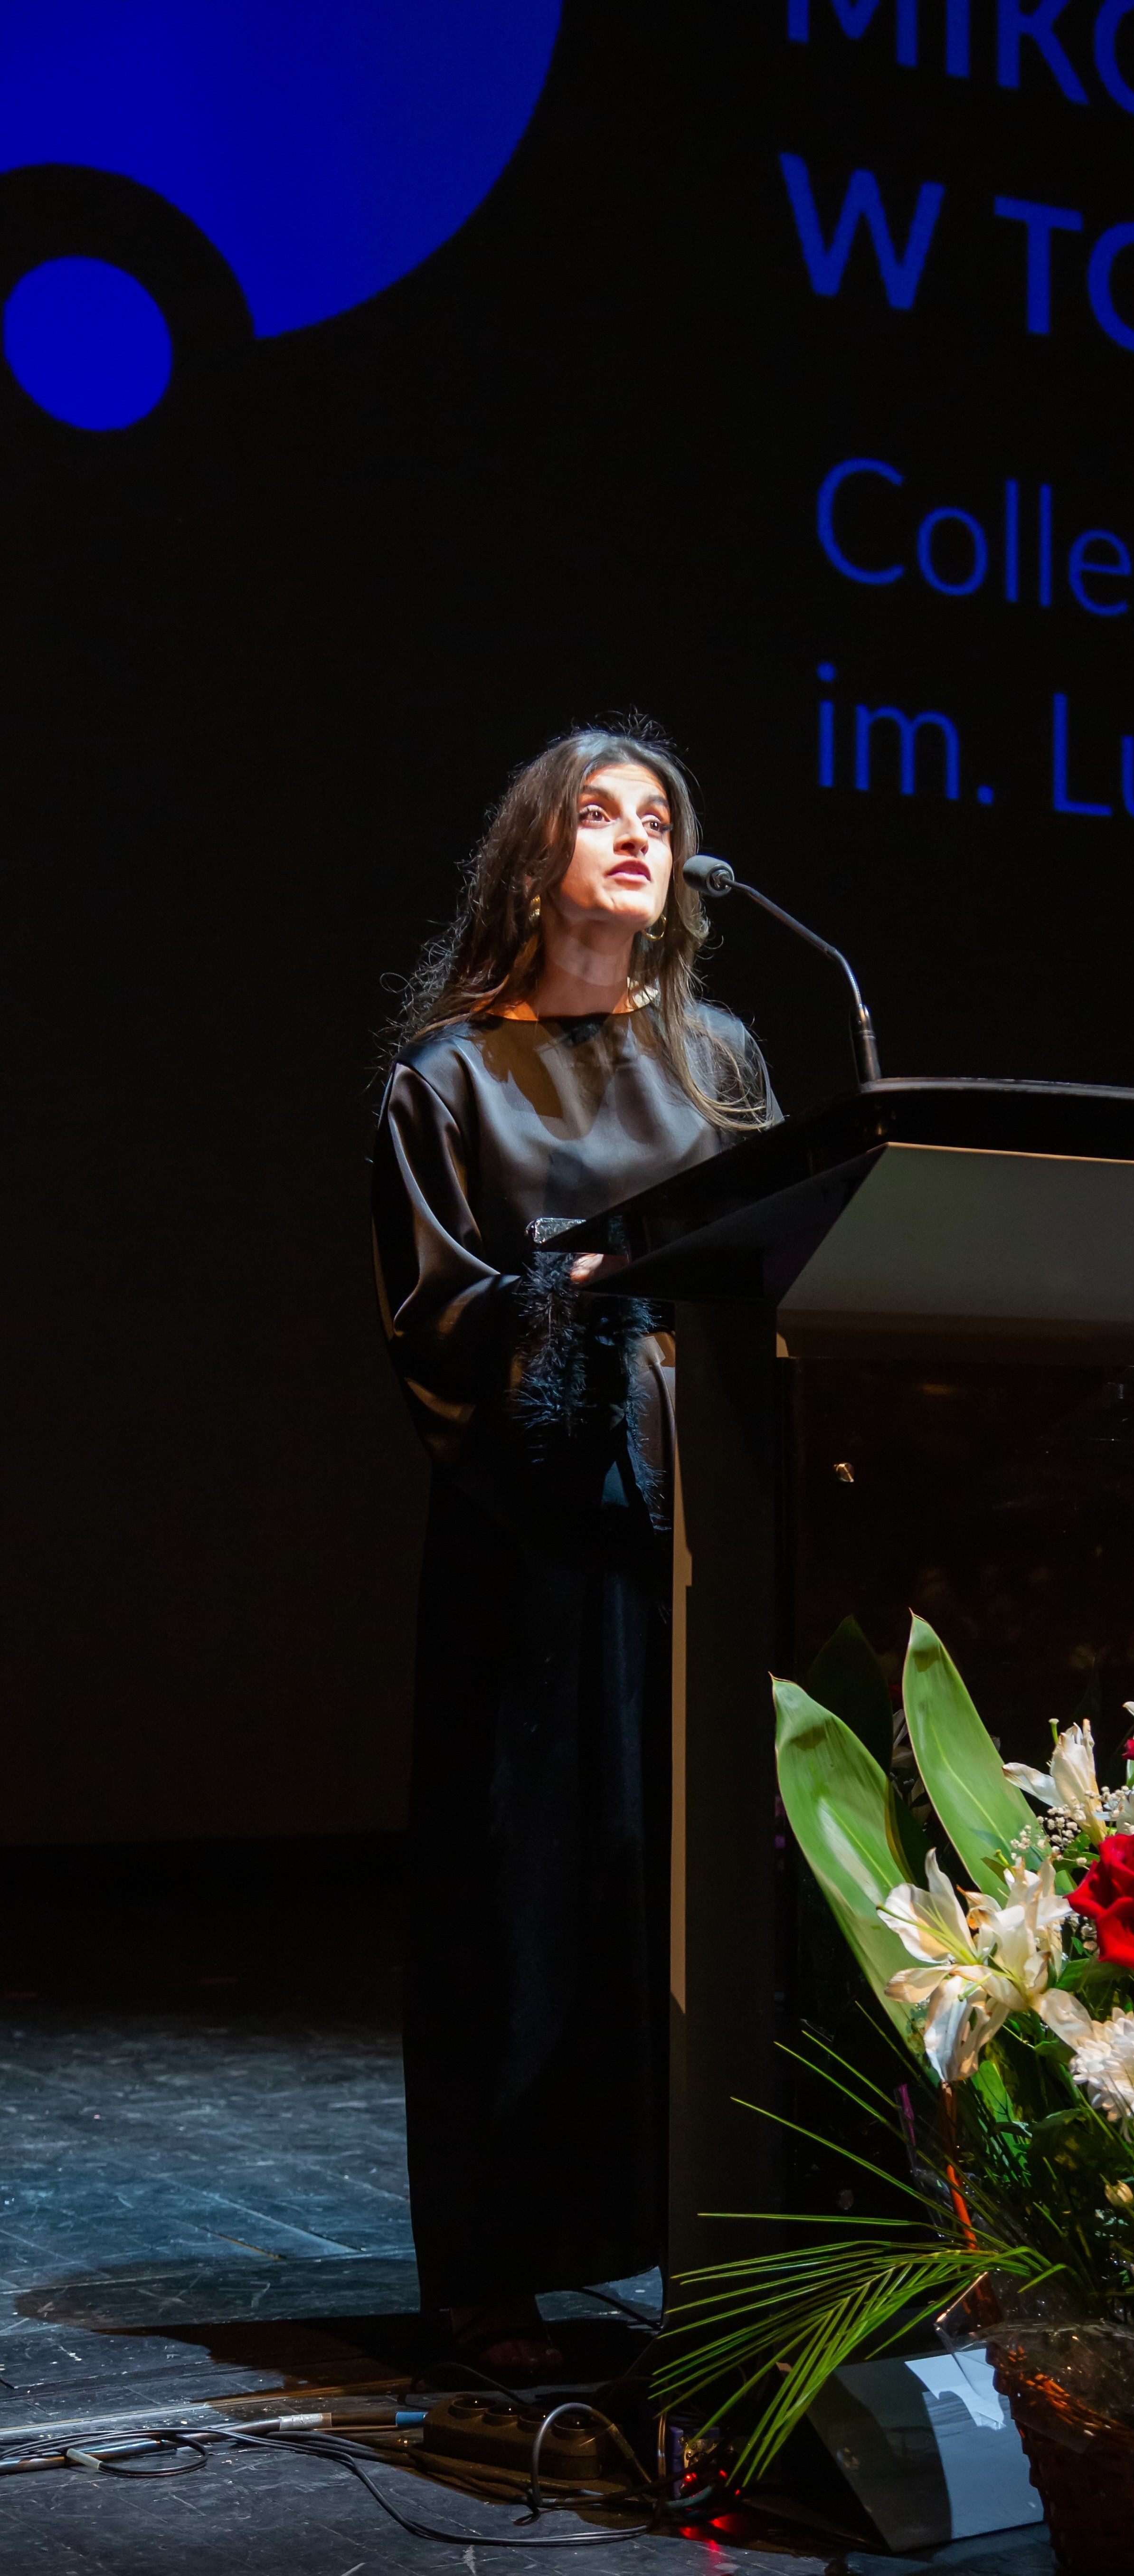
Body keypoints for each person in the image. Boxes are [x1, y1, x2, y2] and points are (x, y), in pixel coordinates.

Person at [372, 721, 775, 2373]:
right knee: (528, 1892)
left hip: (706, 1529)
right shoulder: (449, 1078)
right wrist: (581, 1291)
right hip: (535, 1550)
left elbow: (777, 1261)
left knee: (695, 1892)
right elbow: (435, 1318)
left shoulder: (721, 1059)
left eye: (657, 819)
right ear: (535, 860)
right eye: (598, 814)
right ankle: (493, 2270)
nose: (634, 837)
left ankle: (716, 2245)